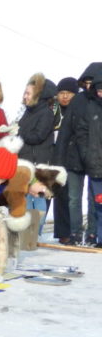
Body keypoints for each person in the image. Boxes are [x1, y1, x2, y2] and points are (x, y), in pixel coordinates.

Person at [55, 62, 102, 245]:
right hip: (75, 156)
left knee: (94, 199)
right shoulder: (79, 100)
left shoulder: (97, 100)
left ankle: (92, 233)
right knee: (74, 198)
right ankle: (75, 232)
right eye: (87, 82)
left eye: (93, 82)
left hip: (95, 157)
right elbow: (66, 130)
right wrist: (59, 158)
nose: (90, 85)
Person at [17, 73, 58, 234]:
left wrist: (19, 133)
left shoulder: (46, 113)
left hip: (38, 162)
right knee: (27, 198)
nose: (25, 96)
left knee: (38, 197)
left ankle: (34, 233)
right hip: (26, 160)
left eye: (28, 93)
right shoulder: (28, 112)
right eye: (25, 93)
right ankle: (27, 232)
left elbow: (38, 136)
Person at [74, 74, 102, 247]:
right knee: (99, 202)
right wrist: (86, 154)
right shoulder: (90, 108)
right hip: (96, 163)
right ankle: (100, 237)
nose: (101, 94)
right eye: (99, 90)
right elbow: (82, 132)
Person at [52, 76, 80, 242]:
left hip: (74, 157)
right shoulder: (53, 110)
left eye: (69, 93)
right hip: (55, 157)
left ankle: (75, 232)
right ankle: (63, 233)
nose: (65, 96)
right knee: (59, 195)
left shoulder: (79, 110)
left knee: (73, 196)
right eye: (61, 92)